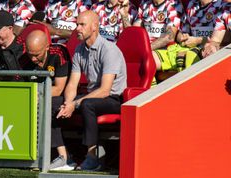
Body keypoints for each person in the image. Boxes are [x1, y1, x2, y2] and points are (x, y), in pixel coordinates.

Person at [56, 10, 126, 171]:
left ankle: (92, 157)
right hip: (92, 96)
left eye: (82, 25)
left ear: (94, 27)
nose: (77, 29)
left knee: (87, 104)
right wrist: (68, 103)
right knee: (56, 103)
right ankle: (64, 155)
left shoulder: (109, 50)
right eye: (76, 24)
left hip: (114, 99)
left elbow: (105, 90)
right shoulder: (80, 50)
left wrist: (75, 103)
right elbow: (72, 84)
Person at [18, 30, 73, 170]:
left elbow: (59, 89)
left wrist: (36, 95)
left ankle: (64, 157)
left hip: (63, 98)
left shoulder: (59, 54)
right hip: (36, 97)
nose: (33, 59)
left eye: (37, 55)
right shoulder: (24, 59)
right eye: (30, 54)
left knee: (46, 105)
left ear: (47, 47)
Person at [152, 0, 223, 73]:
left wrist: (198, 40)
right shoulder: (192, 4)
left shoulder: (221, 4)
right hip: (188, 47)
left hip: (208, 50)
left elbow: (224, 39)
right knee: (149, 58)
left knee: (183, 57)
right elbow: (182, 31)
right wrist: (183, 37)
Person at [133, 0, 183, 70]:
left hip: (167, 50)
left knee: (145, 61)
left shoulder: (173, 4)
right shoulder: (144, 3)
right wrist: (124, 14)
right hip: (147, 49)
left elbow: (169, 37)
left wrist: (146, 49)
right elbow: (134, 31)